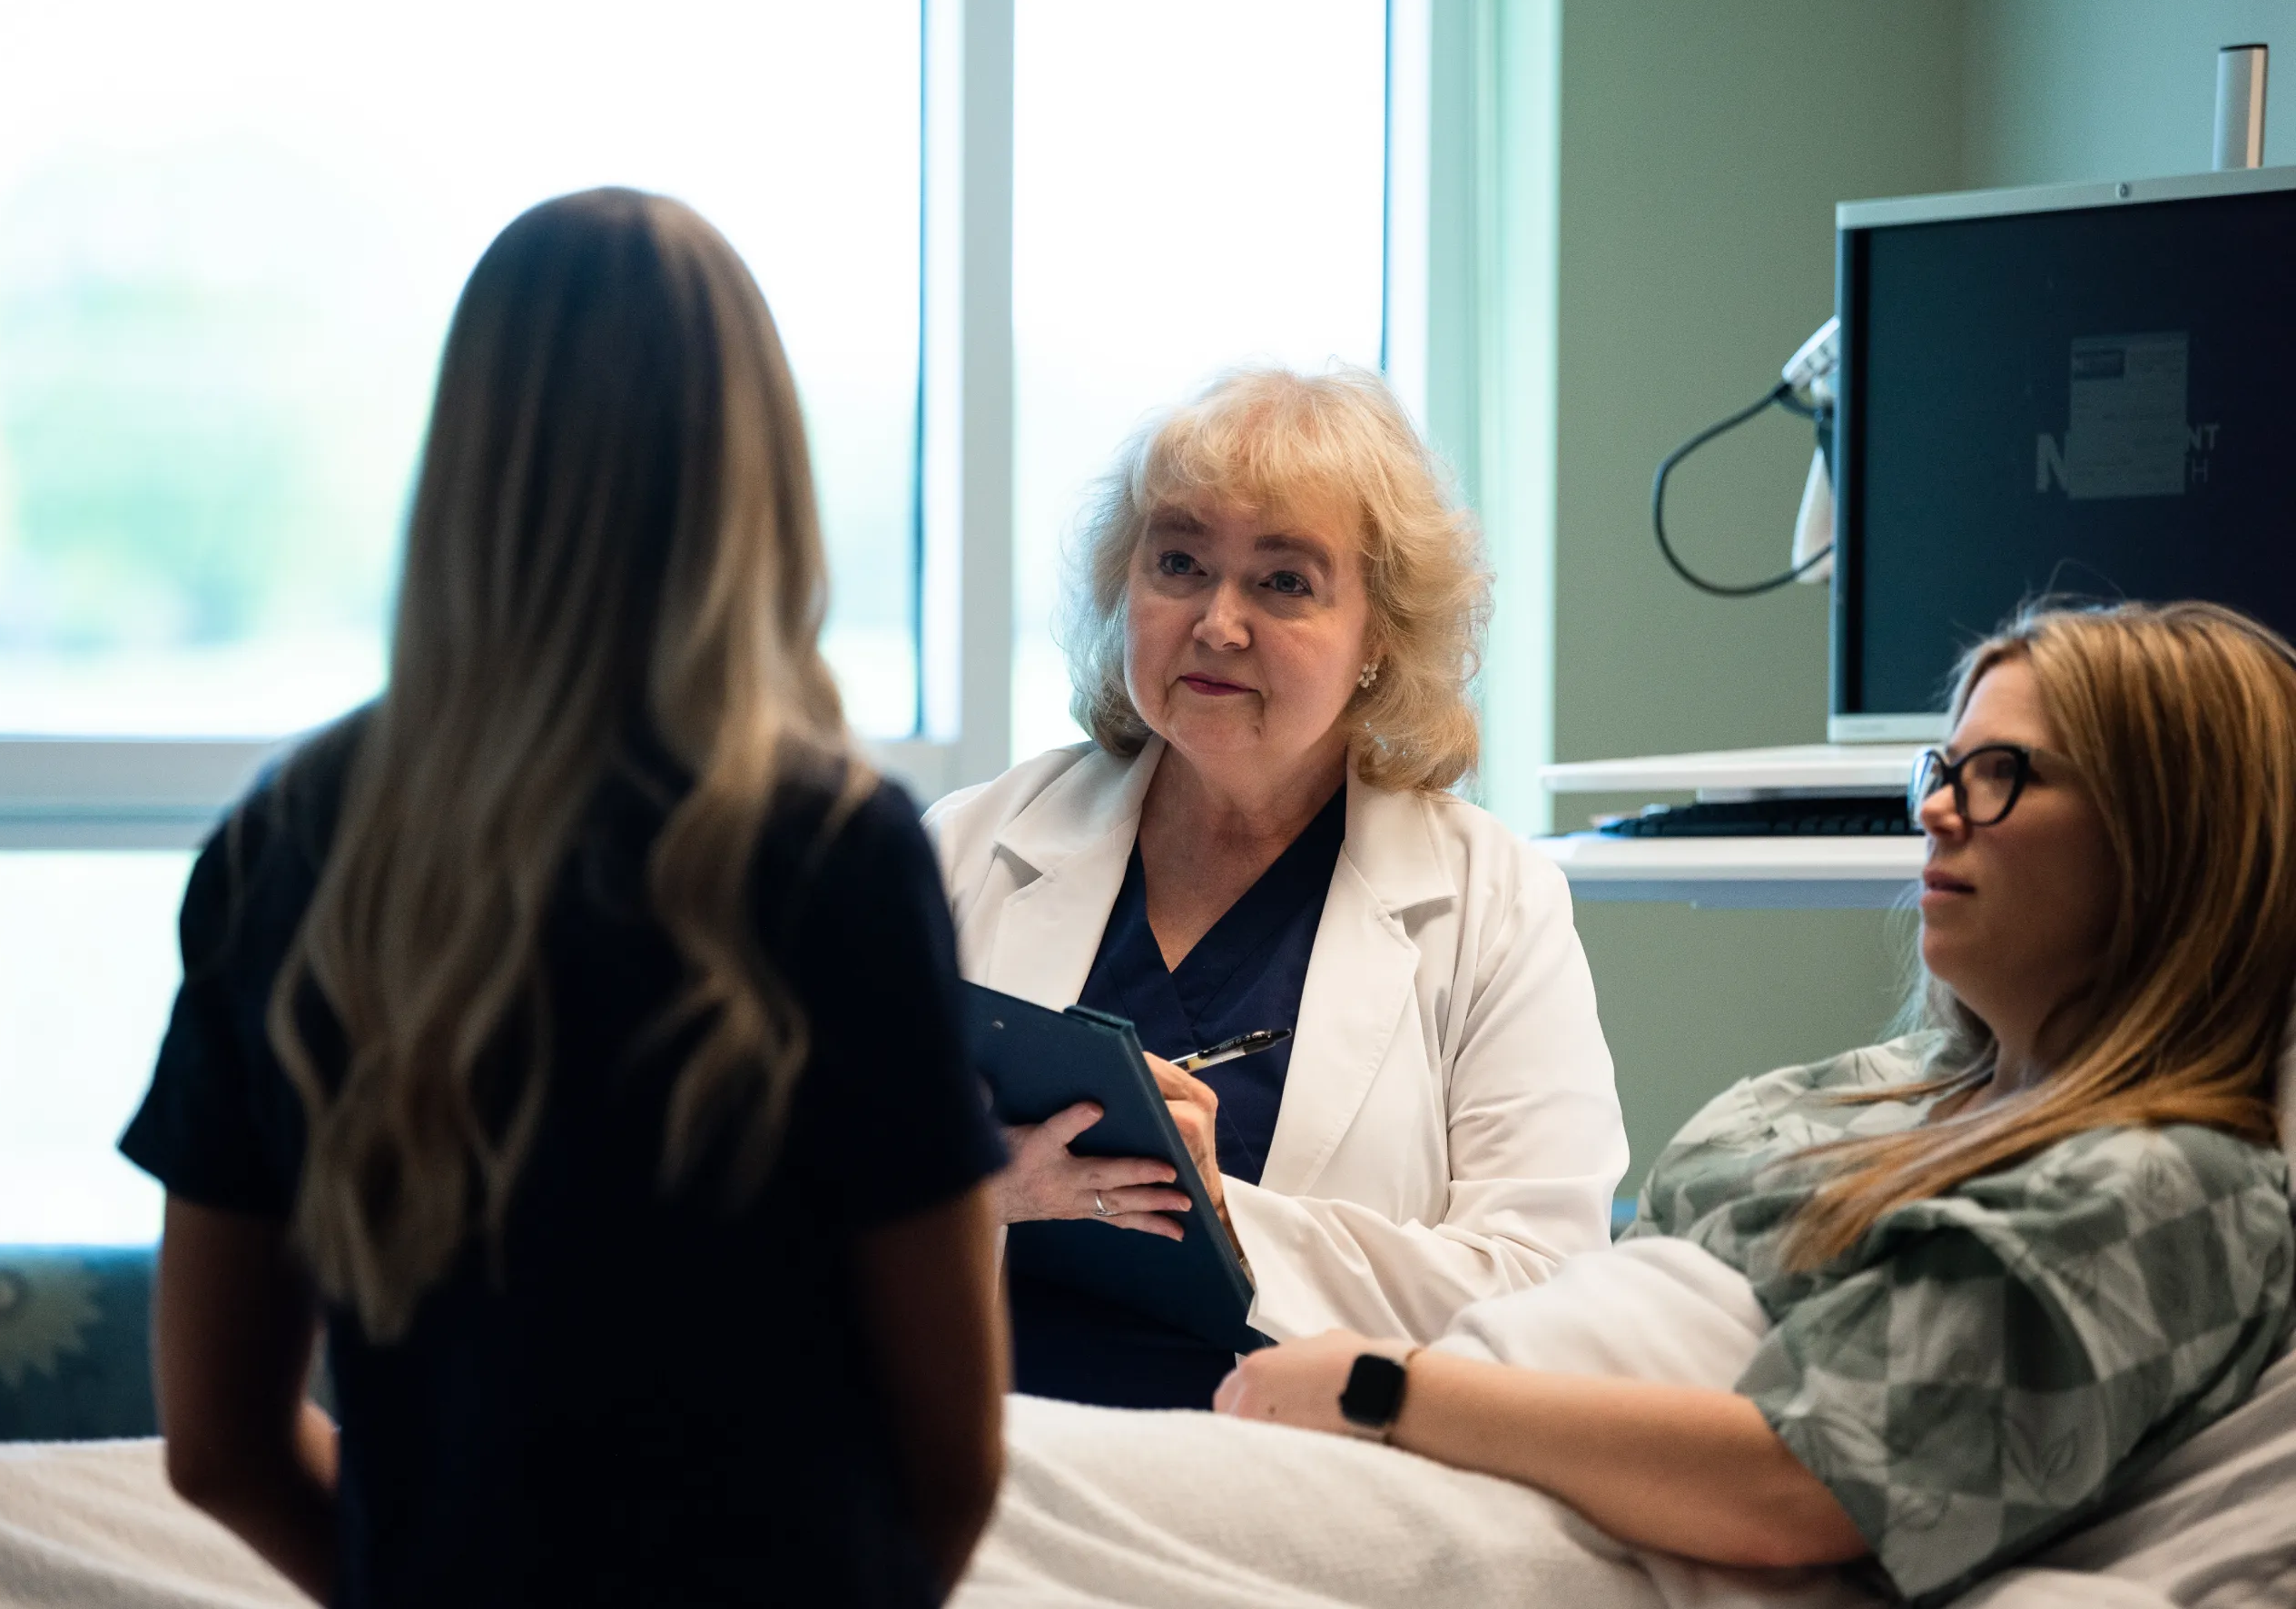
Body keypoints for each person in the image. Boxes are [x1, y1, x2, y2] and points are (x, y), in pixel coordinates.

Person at [119, 189, 1009, 1607]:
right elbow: (953, 1460)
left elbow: (219, 1443)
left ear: (467, 459)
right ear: (753, 467)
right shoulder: (832, 856)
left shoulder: (283, 850)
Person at [1200, 600, 2296, 1605]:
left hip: (1555, 1530)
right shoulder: (1861, 1093)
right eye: (1942, 768)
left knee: (1033, 1504)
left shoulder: (2172, 1180)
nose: (1940, 813)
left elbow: (1809, 1484)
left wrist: (1382, 1389)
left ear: (2167, 838)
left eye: (2003, 772)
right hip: (1470, 1464)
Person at [927, 367, 1629, 1408]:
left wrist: (1224, 1213)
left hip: (1308, 1501)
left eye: (1284, 582)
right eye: (1178, 563)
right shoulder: (971, 849)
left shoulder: (1491, 903)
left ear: (1379, 637)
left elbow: (1544, 1296)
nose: (1216, 622)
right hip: (998, 1467)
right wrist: (980, 1192)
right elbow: (786, 1197)